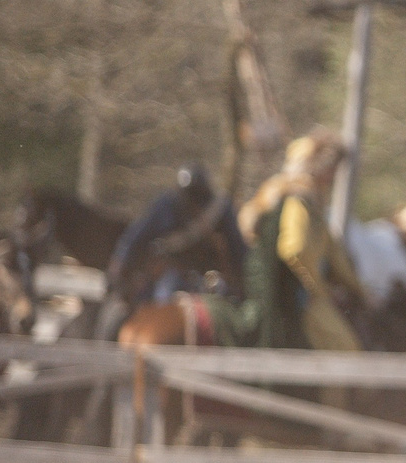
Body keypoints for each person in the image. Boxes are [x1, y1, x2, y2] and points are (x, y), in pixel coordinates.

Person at [224, 131, 371, 352]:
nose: (332, 177)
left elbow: (334, 252)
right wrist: (318, 290)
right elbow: (294, 249)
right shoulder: (298, 199)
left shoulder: (314, 202)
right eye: (331, 168)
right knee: (345, 347)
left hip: (303, 286)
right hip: (291, 290)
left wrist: (361, 291)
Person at [106, 164, 246, 309]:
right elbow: (136, 236)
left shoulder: (220, 209)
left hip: (210, 275)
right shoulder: (167, 205)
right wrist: (120, 265)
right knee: (163, 299)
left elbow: (238, 248)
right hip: (175, 271)